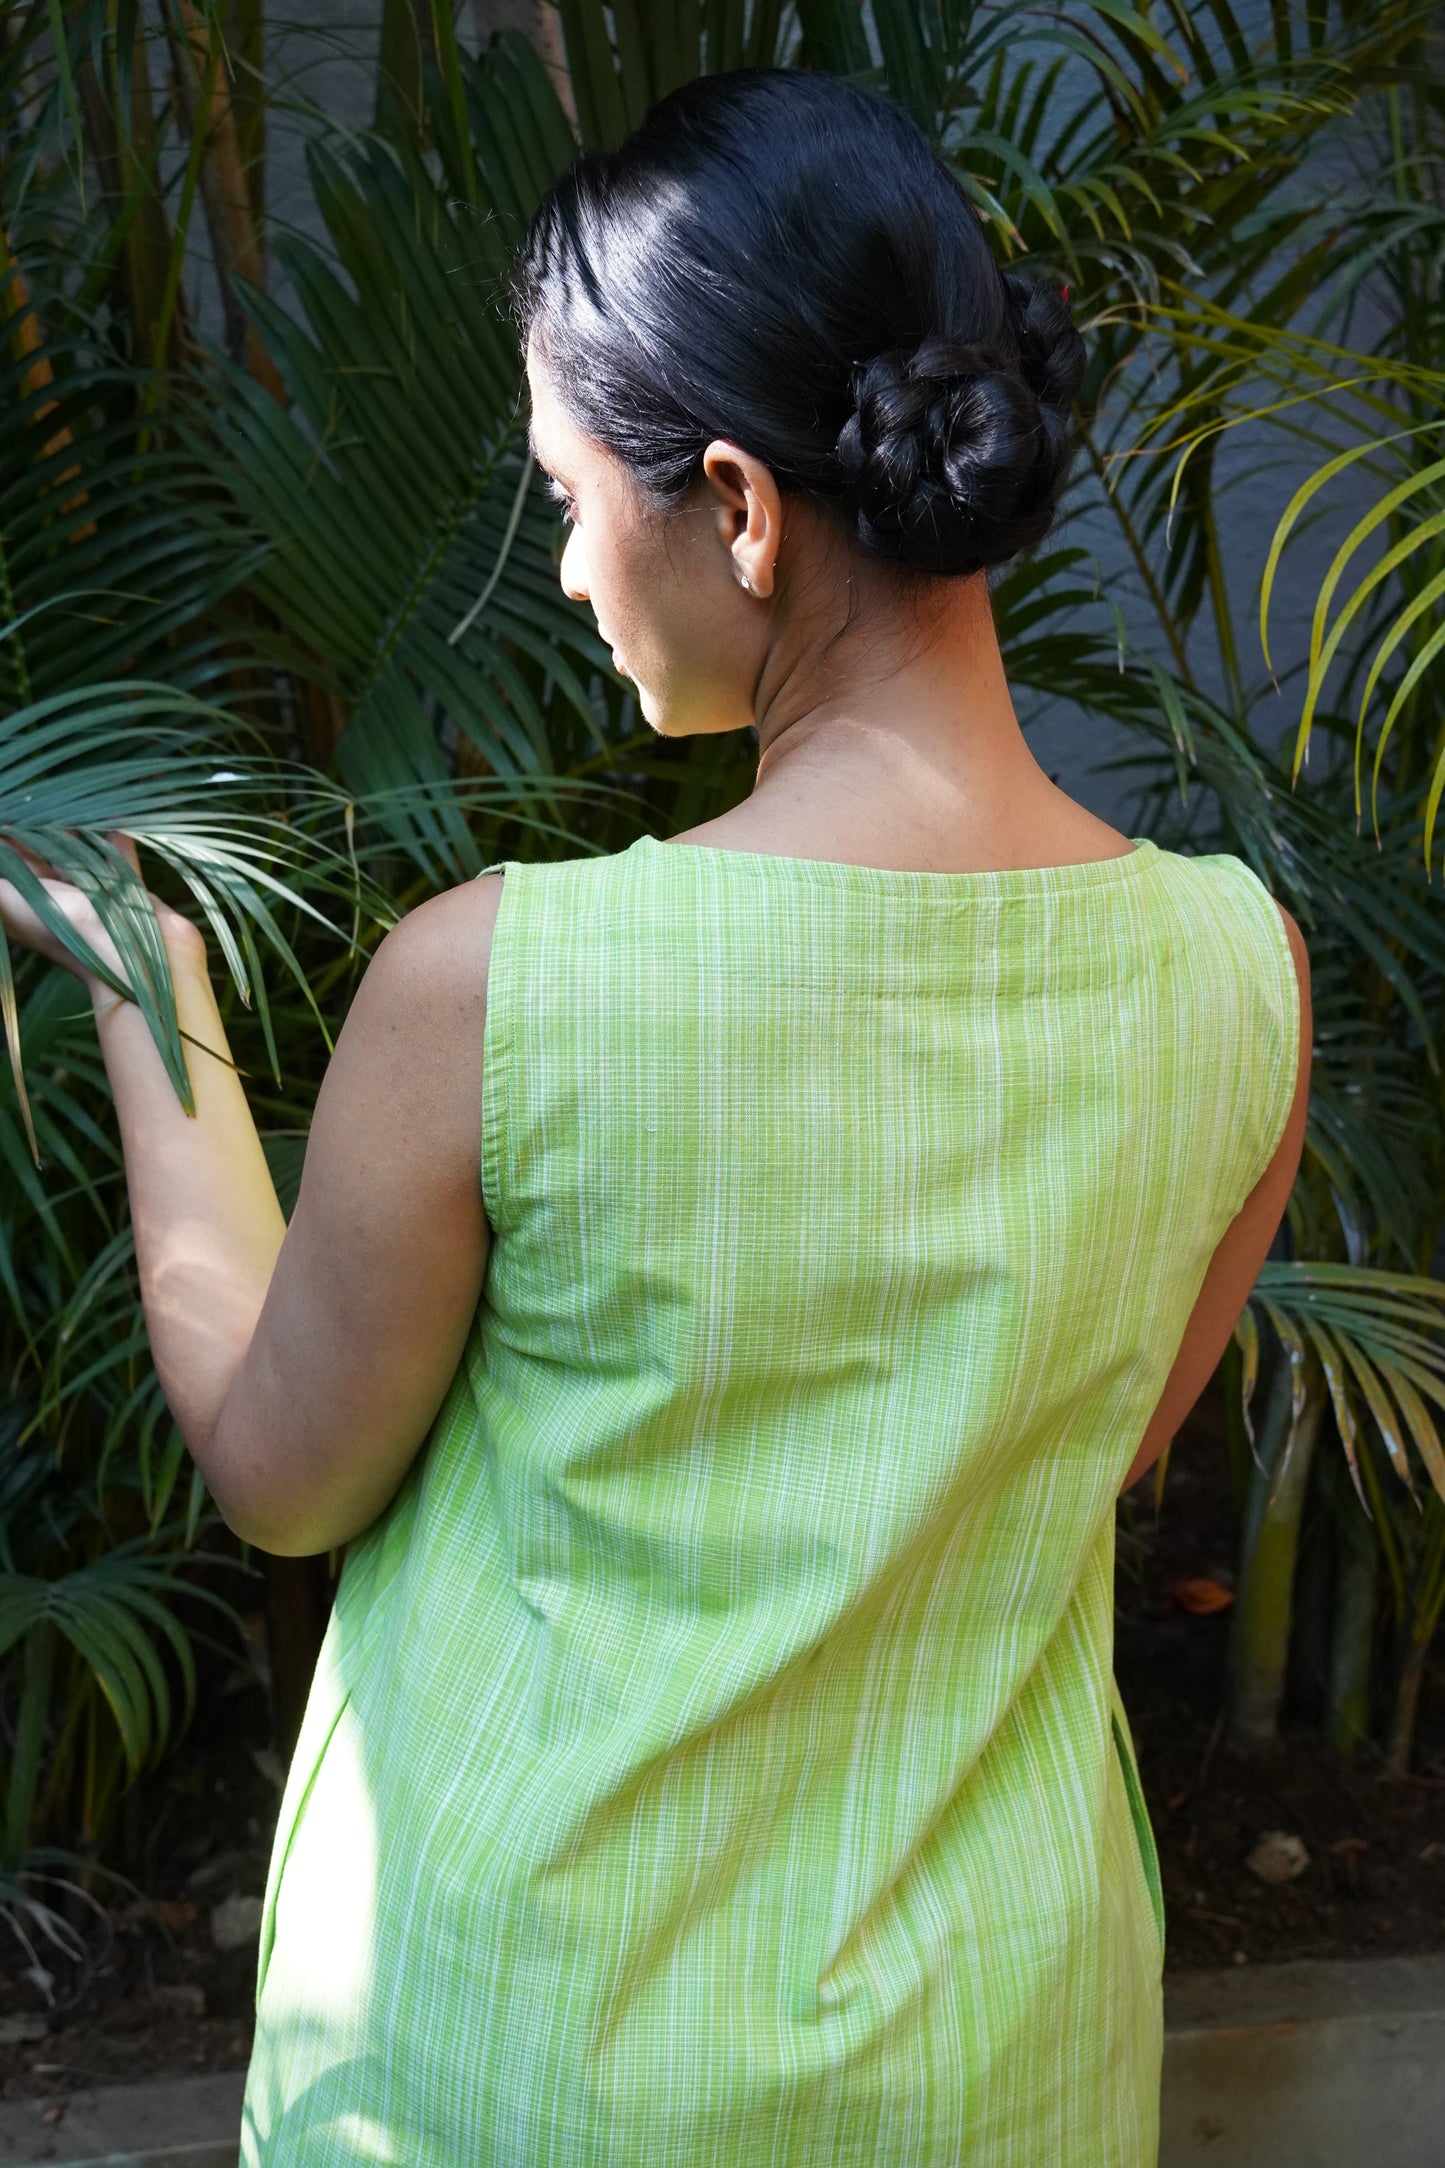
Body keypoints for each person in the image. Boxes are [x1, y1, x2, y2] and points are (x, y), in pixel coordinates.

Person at [2, 67, 1308, 2168]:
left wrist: (163, 1011)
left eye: (563, 493)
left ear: (738, 501)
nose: (560, 564)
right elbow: (1086, 1455)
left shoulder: (504, 982)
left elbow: (280, 1467)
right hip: (999, 2067)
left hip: (532, 2074)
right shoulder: (1243, 967)